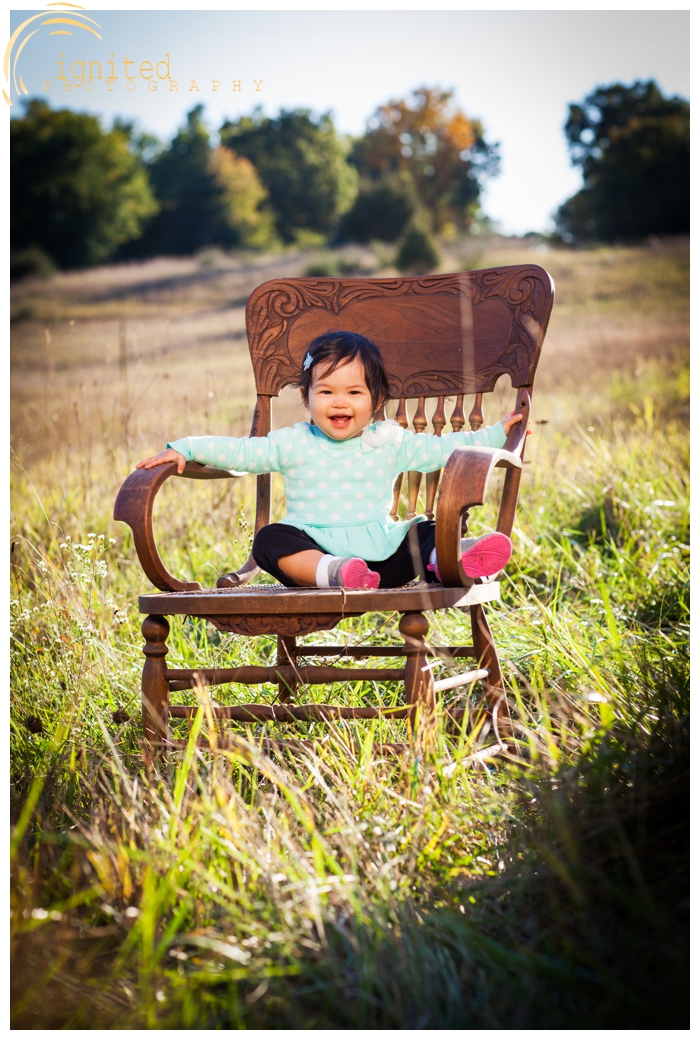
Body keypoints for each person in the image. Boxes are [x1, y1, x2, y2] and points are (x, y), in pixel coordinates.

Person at [137, 331, 525, 590]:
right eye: (325, 391)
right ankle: (335, 574)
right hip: (315, 554)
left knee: (424, 531)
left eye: (355, 391)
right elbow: (242, 452)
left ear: (376, 401)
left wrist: (493, 435)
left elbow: (443, 450)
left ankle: (450, 558)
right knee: (270, 540)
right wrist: (187, 447)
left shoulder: (389, 441)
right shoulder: (293, 443)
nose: (339, 401)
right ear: (307, 397)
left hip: (383, 561)